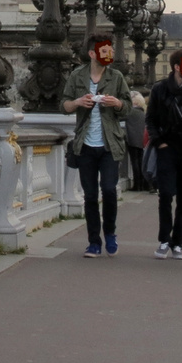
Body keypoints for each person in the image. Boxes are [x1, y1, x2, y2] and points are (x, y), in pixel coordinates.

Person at [60, 34, 132, 258]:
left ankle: (110, 232)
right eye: (104, 50)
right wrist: (78, 102)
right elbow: (64, 105)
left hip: (110, 144)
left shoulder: (116, 76)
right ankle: (93, 242)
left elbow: (128, 107)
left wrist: (117, 103)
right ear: (92, 53)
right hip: (85, 145)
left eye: (110, 50)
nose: (109, 53)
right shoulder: (77, 76)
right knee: (90, 195)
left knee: (109, 190)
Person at [145, 49, 182, 260]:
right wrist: (158, 142)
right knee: (165, 195)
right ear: (177, 67)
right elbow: (150, 119)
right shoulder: (160, 89)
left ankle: (178, 243)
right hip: (167, 149)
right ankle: (164, 240)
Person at [126, 91, 149, 192]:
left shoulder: (131, 112)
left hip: (133, 140)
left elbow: (118, 117)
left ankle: (137, 184)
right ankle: (144, 184)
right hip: (142, 140)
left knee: (135, 162)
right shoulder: (142, 112)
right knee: (141, 162)